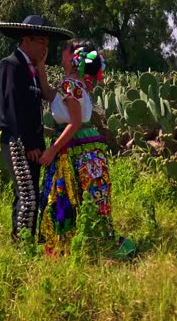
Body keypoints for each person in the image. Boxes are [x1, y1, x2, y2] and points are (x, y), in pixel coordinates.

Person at [38, 39, 133, 257]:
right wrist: (41, 66)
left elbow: (75, 122)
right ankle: (93, 241)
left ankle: (68, 247)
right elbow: (49, 94)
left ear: (73, 58)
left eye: (65, 48)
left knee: (67, 195)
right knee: (88, 197)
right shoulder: (77, 83)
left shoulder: (70, 85)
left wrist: (53, 150)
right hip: (89, 147)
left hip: (74, 147)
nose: (60, 51)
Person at [0, 15, 72, 242]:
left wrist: (41, 67)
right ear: (26, 40)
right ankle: (22, 245)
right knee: (27, 196)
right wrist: (28, 143)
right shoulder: (11, 66)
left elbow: (41, 100)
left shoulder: (31, 69)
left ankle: (28, 241)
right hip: (19, 141)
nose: (45, 49)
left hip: (32, 141)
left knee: (31, 195)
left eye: (47, 44)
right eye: (41, 43)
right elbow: (12, 108)